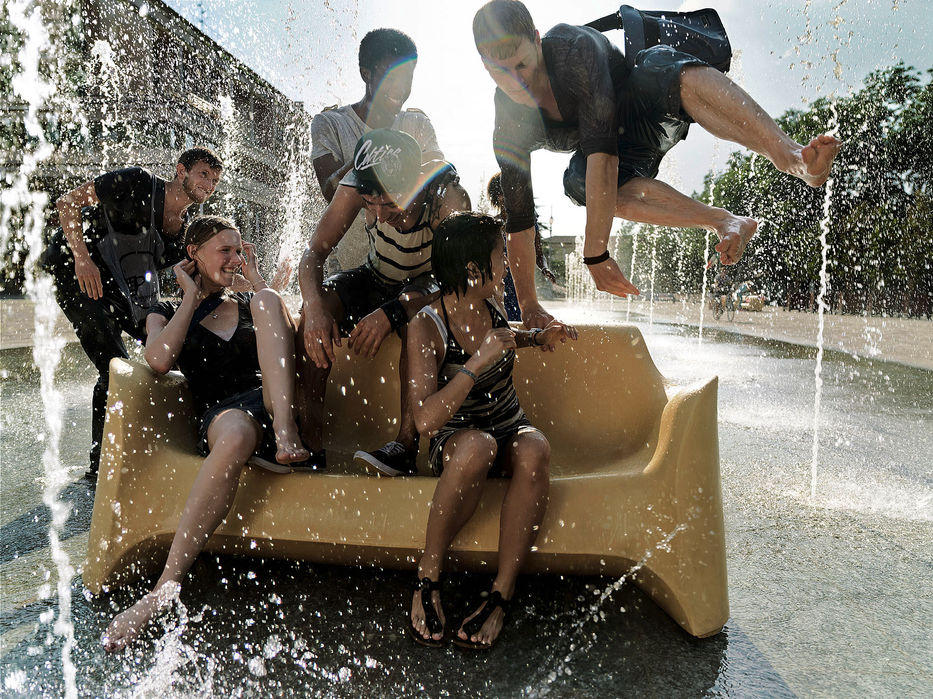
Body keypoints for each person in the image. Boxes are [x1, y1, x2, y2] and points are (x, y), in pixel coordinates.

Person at [472, 0, 841, 331]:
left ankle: (792, 157)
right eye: (500, 71)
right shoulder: (508, 121)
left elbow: (605, 156)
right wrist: (531, 307)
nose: (516, 81)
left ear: (537, 41)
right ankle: (723, 221)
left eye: (522, 64)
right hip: (625, 158)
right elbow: (519, 222)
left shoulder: (571, 49)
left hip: (648, 109)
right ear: (484, 65)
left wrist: (596, 253)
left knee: (657, 62)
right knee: (577, 182)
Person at [100, 215, 313, 653]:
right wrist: (189, 299)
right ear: (193, 254)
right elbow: (159, 360)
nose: (235, 259)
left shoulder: (254, 300)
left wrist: (260, 284)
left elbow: (298, 348)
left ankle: (285, 431)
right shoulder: (165, 310)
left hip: (280, 404)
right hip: (225, 415)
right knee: (234, 432)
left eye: (239, 250)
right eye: (225, 250)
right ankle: (164, 589)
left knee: (269, 300)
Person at [406, 211, 577, 648]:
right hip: (457, 440)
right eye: (500, 256)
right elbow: (425, 420)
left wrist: (536, 338)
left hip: (508, 425)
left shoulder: (492, 300)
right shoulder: (427, 325)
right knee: (478, 447)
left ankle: (502, 592)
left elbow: (503, 337)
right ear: (472, 268)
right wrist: (474, 364)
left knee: (536, 448)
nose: (506, 264)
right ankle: (428, 576)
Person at [43, 148, 223, 479]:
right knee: (115, 366)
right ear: (181, 171)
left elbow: (201, 277)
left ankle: (192, 444)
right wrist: (82, 259)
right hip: (75, 272)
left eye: (214, 180)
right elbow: (67, 203)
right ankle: (101, 470)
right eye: (203, 174)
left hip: (123, 286)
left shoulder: (183, 232)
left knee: (178, 350)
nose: (209, 184)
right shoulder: (138, 181)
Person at [299, 128, 470, 476]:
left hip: (427, 284)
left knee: (418, 317)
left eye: (390, 203)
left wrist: (394, 312)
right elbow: (313, 253)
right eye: (370, 203)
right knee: (316, 305)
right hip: (375, 274)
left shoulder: (447, 197)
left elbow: (461, 283)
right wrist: (315, 310)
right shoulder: (355, 184)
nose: (379, 215)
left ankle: (405, 446)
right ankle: (309, 442)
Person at [311, 28, 444, 271]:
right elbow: (330, 190)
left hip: (410, 272)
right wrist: (372, 152)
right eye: (391, 76)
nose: (400, 87)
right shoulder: (330, 123)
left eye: (407, 78)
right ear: (366, 73)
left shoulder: (417, 124)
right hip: (350, 268)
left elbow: (441, 185)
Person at [486, 172, 557, 321]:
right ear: (499, 197)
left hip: (521, 286)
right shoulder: (491, 226)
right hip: (498, 286)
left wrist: (544, 268)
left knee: (521, 319)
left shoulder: (529, 226)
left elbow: (539, 255)